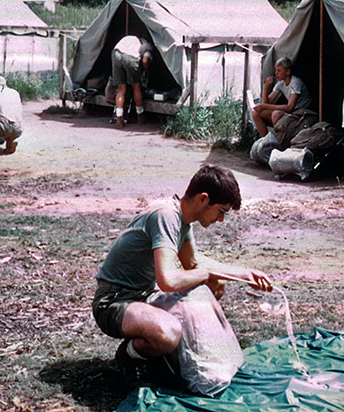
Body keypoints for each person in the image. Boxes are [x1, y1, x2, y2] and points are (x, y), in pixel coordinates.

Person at [92, 164, 273, 385]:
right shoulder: (165, 215)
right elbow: (167, 280)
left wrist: (243, 273)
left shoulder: (183, 221)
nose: (221, 220)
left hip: (144, 295)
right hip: (113, 301)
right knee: (168, 333)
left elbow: (194, 263)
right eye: (221, 211)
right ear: (203, 199)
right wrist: (206, 274)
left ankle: (163, 349)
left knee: (216, 284)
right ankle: (129, 355)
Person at [252, 57, 312, 137]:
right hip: (292, 113)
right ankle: (267, 141)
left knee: (276, 114)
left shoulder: (295, 83)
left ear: (287, 72)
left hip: (301, 115)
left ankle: (281, 141)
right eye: (276, 70)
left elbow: (289, 107)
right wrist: (266, 87)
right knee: (256, 113)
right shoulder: (281, 83)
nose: (276, 73)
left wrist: (265, 106)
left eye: (279, 70)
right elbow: (266, 102)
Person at [111, 35, 154, 127]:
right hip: (131, 58)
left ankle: (119, 119)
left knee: (121, 89)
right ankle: (140, 116)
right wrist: (147, 73)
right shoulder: (147, 46)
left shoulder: (129, 38)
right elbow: (145, 60)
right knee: (136, 87)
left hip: (116, 53)